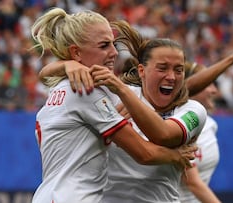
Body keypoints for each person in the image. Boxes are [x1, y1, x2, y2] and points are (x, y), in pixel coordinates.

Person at [30, 8, 197, 203]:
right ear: (76, 52)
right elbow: (143, 153)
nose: (114, 52)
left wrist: (64, 64)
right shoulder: (85, 91)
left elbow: (45, 74)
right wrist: (176, 156)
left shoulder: (66, 84)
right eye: (104, 45)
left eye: (113, 43)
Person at [178, 63, 221, 203]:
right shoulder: (178, 124)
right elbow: (192, 182)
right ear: (193, 85)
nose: (214, 90)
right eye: (208, 84)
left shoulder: (211, 125)